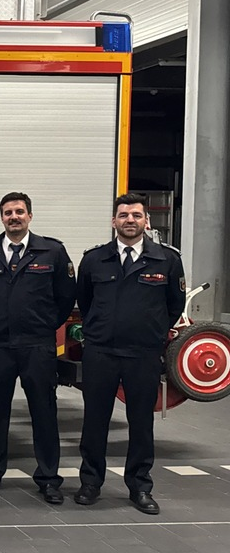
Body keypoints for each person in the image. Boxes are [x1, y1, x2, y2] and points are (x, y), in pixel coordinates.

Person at [75, 193, 184, 514]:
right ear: (114, 221)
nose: (130, 221)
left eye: (136, 215)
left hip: (143, 354)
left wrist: (149, 331)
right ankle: (90, 482)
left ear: (146, 221)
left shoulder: (167, 260)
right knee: (94, 420)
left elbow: (173, 306)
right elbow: (85, 300)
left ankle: (140, 486)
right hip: (101, 353)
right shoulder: (94, 260)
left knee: (141, 422)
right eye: (123, 215)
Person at [0, 193, 76, 505]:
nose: (13, 217)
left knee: (44, 411)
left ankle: (48, 479)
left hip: (37, 346)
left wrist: (43, 325)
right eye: (7, 212)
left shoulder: (52, 251)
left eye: (19, 211)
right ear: (1, 217)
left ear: (30, 215)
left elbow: (65, 297)